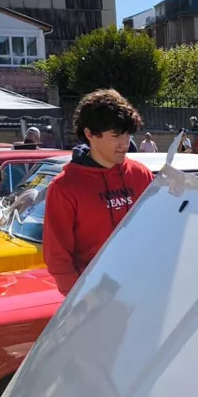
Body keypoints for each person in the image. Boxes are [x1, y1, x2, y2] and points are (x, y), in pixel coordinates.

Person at [43, 89, 154, 293]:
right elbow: (57, 255)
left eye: (128, 134)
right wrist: (79, 300)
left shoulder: (141, 174)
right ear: (90, 134)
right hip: (92, 299)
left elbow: (157, 231)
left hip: (143, 290)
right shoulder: (65, 187)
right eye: (116, 135)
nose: (125, 143)